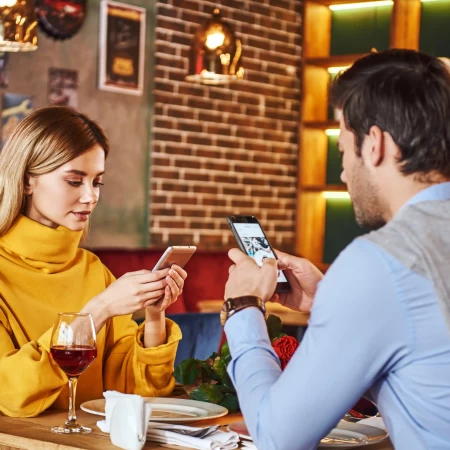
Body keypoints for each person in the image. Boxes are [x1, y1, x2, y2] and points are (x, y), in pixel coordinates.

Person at [223, 49, 450, 450]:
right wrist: (332, 299)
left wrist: (242, 308)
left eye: (343, 148)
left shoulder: (380, 262)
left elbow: (278, 437)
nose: (344, 171)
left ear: (375, 144)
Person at [0, 107, 186, 417]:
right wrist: (97, 311)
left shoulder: (93, 270)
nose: (91, 196)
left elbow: (133, 390)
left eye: (97, 182)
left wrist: (154, 314)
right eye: (75, 181)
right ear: (28, 180)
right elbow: (10, 394)